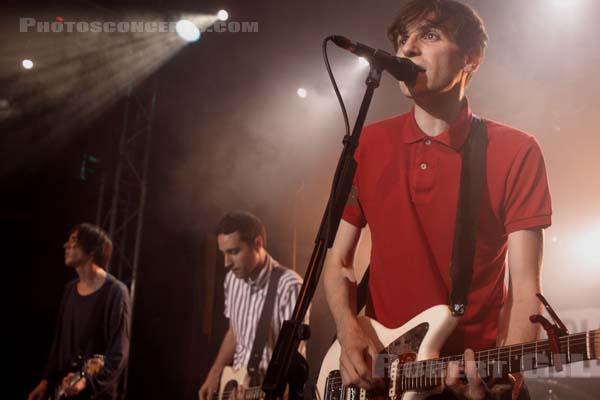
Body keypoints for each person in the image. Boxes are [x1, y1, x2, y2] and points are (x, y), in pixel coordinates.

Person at [323, 1, 552, 399]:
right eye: (401, 38)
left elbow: (525, 284)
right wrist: (347, 328)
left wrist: (508, 374)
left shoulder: (516, 150)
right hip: (381, 374)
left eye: (429, 35)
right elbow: (338, 260)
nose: (406, 49)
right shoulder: (369, 145)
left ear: (472, 58)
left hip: (467, 377)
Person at [198, 211, 307, 400]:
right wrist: (214, 373)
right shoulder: (232, 280)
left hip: (267, 392)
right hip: (235, 388)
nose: (226, 263)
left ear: (258, 243)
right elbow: (234, 333)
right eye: (223, 254)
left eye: (233, 252)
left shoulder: (289, 285)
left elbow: (294, 356)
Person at [28, 223, 131, 400]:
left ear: (91, 250)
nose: (66, 246)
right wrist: (46, 379)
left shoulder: (115, 292)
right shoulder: (69, 289)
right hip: (63, 390)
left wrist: (87, 382)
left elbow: (118, 353)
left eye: (74, 241)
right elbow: (59, 342)